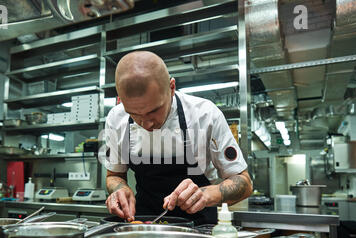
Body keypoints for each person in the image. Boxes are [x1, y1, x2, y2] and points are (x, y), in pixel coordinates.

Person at [103, 51, 252, 225]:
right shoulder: (116, 118)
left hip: (199, 226)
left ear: (171, 87)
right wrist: (120, 188)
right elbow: (113, 175)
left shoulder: (205, 115)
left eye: (153, 111)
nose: (146, 124)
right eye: (134, 114)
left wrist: (206, 194)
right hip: (145, 224)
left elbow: (244, 183)